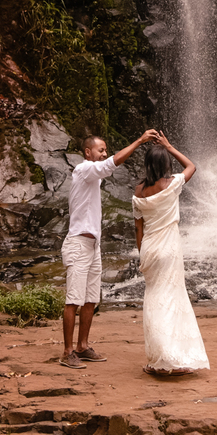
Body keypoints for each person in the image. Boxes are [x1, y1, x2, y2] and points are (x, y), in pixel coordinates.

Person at [61, 128, 158, 369]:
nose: (104, 153)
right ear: (87, 152)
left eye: (105, 150)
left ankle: (82, 346)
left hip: (93, 245)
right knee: (73, 300)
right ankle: (67, 352)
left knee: (91, 299)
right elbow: (111, 163)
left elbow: (107, 166)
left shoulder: (92, 177)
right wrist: (139, 140)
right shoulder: (83, 169)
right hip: (78, 243)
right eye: (100, 150)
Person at [131, 130, 209, 376]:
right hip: (170, 248)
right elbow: (192, 166)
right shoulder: (172, 184)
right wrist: (169, 146)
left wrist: (142, 254)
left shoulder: (138, 192)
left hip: (150, 248)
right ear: (166, 164)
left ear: (147, 165)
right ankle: (177, 357)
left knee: (154, 299)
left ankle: (159, 360)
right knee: (173, 298)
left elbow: (138, 228)